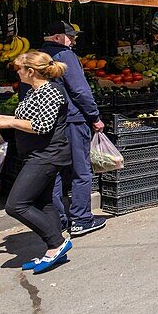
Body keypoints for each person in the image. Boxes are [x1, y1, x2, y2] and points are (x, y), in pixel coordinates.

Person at [0, 52, 74, 274]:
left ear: (31, 71)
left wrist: (10, 123)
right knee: (44, 202)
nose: (17, 72)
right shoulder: (34, 91)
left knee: (16, 205)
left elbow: (41, 126)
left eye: (19, 69)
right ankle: (55, 250)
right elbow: (26, 119)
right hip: (37, 154)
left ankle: (56, 243)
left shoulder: (51, 92)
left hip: (46, 155)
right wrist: (4, 120)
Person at [30, 21, 106, 237]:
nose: (73, 41)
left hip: (50, 123)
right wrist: (94, 116)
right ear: (57, 37)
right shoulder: (65, 55)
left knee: (54, 172)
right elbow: (80, 91)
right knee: (81, 170)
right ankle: (81, 219)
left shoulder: (37, 58)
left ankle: (59, 220)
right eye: (70, 36)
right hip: (73, 120)